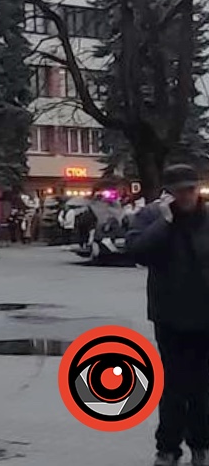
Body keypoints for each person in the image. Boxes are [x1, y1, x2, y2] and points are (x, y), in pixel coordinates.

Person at [126, 165, 209, 466]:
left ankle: (201, 446)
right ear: (168, 193)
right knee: (173, 386)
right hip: (170, 315)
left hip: (205, 315)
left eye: (191, 188)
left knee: (202, 388)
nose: (187, 195)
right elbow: (136, 251)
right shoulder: (151, 217)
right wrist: (165, 222)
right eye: (180, 190)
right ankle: (168, 449)